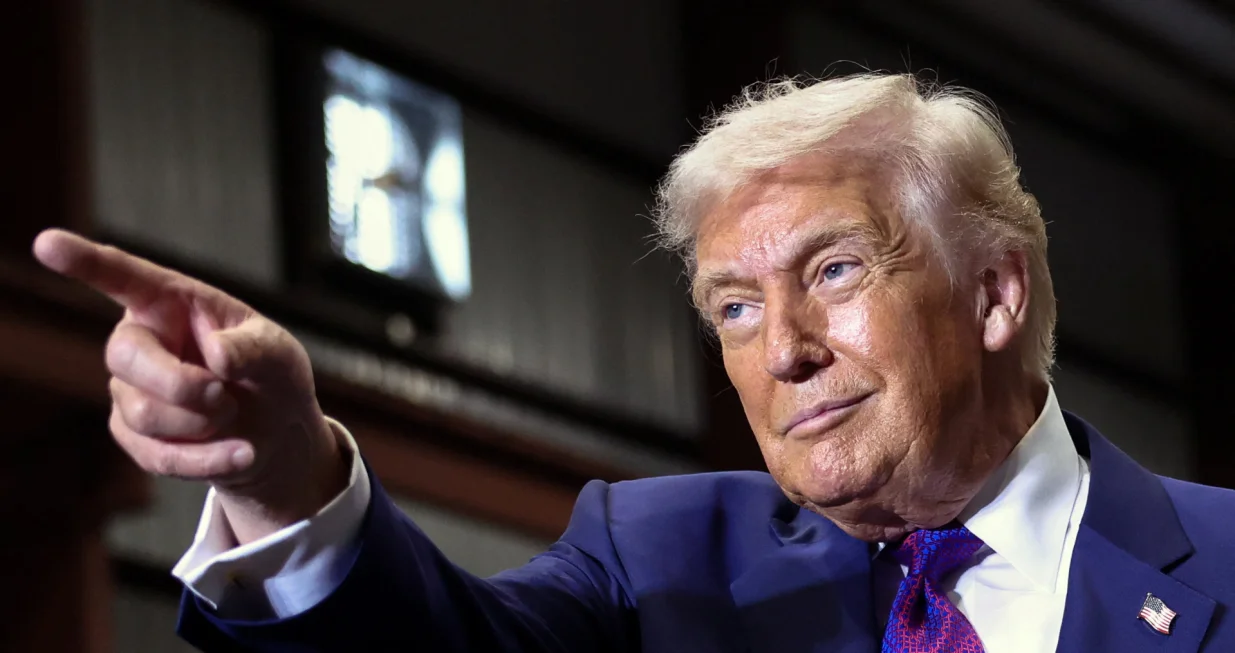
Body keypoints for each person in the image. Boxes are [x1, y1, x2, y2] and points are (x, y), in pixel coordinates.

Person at [33, 73, 1235, 652]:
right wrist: (287, 478)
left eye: (830, 272)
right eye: (733, 305)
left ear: (992, 292)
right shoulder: (652, 559)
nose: (786, 350)